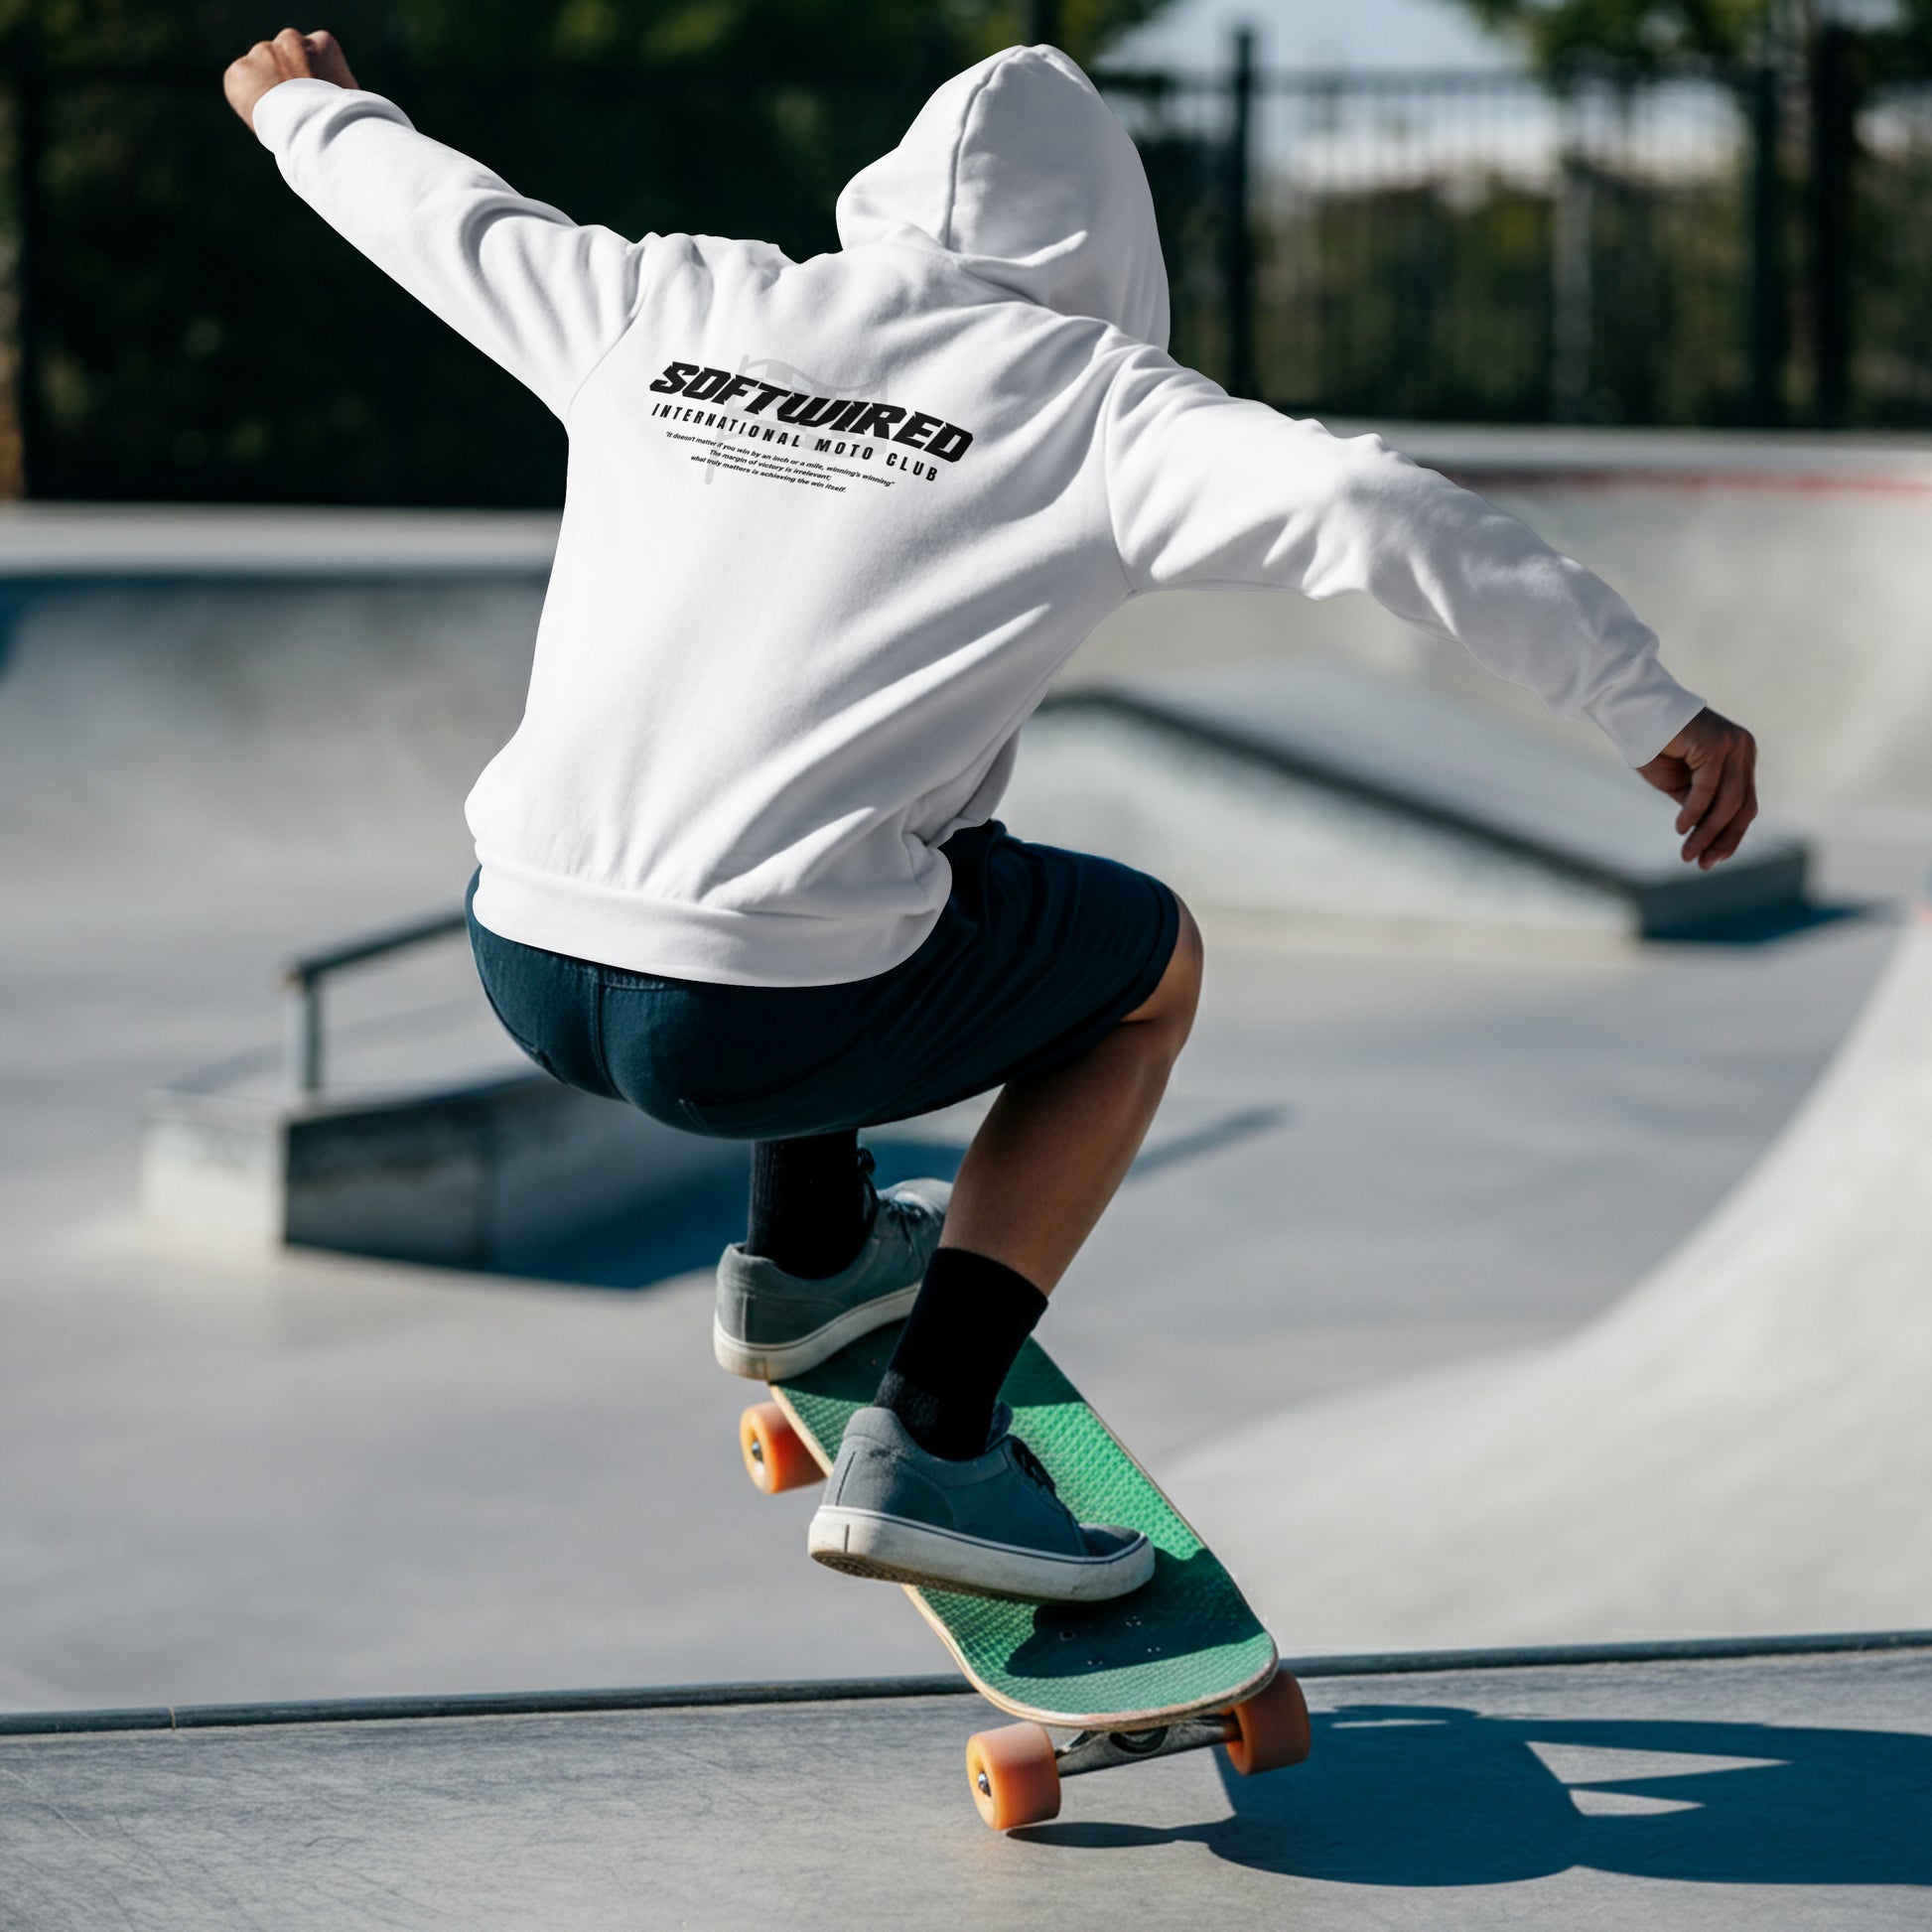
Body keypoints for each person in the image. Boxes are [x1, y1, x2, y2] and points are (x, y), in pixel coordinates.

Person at [224, 29, 1758, 1606]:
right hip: (752, 1016)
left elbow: (442, 214)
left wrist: (306, 110)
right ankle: (936, 1437)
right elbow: (1372, 508)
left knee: (888, 856)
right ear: (1110, 248)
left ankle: (808, 1257)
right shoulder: (1103, 408)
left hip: (521, 949)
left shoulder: (671, 297)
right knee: (1141, 966)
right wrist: (1647, 702)